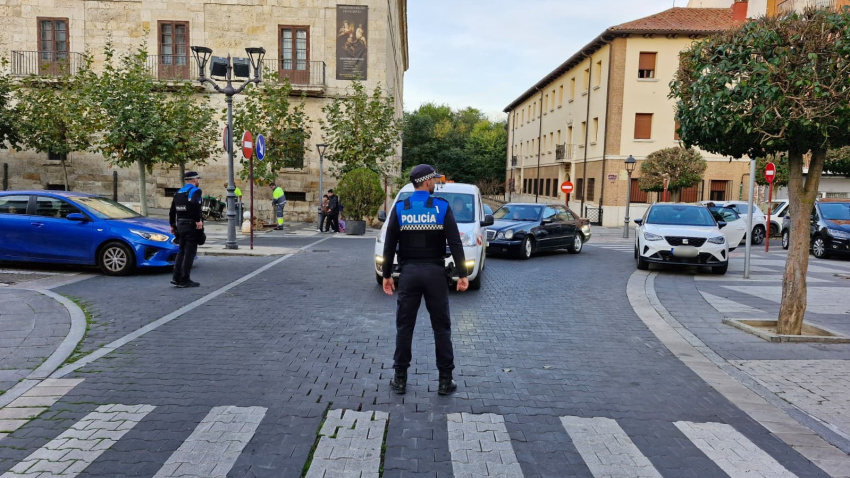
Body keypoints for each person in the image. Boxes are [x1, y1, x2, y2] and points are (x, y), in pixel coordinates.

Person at [381, 164, 468, 396]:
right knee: (441, 328)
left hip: (409, 274)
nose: (436, 184)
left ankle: (400, 380)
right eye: (435, 180)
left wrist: (387, 275)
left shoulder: (401, 208)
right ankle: (444, 381)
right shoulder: (441, 207)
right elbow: (456, 243)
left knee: (404, 327)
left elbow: (389, 246)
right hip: (436, 275)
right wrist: (462, 274)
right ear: (428, 182)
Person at [169, 171, 204, 288]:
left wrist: (172, 225)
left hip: (180, 225)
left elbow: (172, 211)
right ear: (194, 180)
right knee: (189, 253)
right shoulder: (195, 191)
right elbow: (194, 205)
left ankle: (176, 277)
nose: (198, 181)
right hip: (190, 225)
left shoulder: (178, 192)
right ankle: (185, 279)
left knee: (181, 252)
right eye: (197, 179)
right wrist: (198, 220)